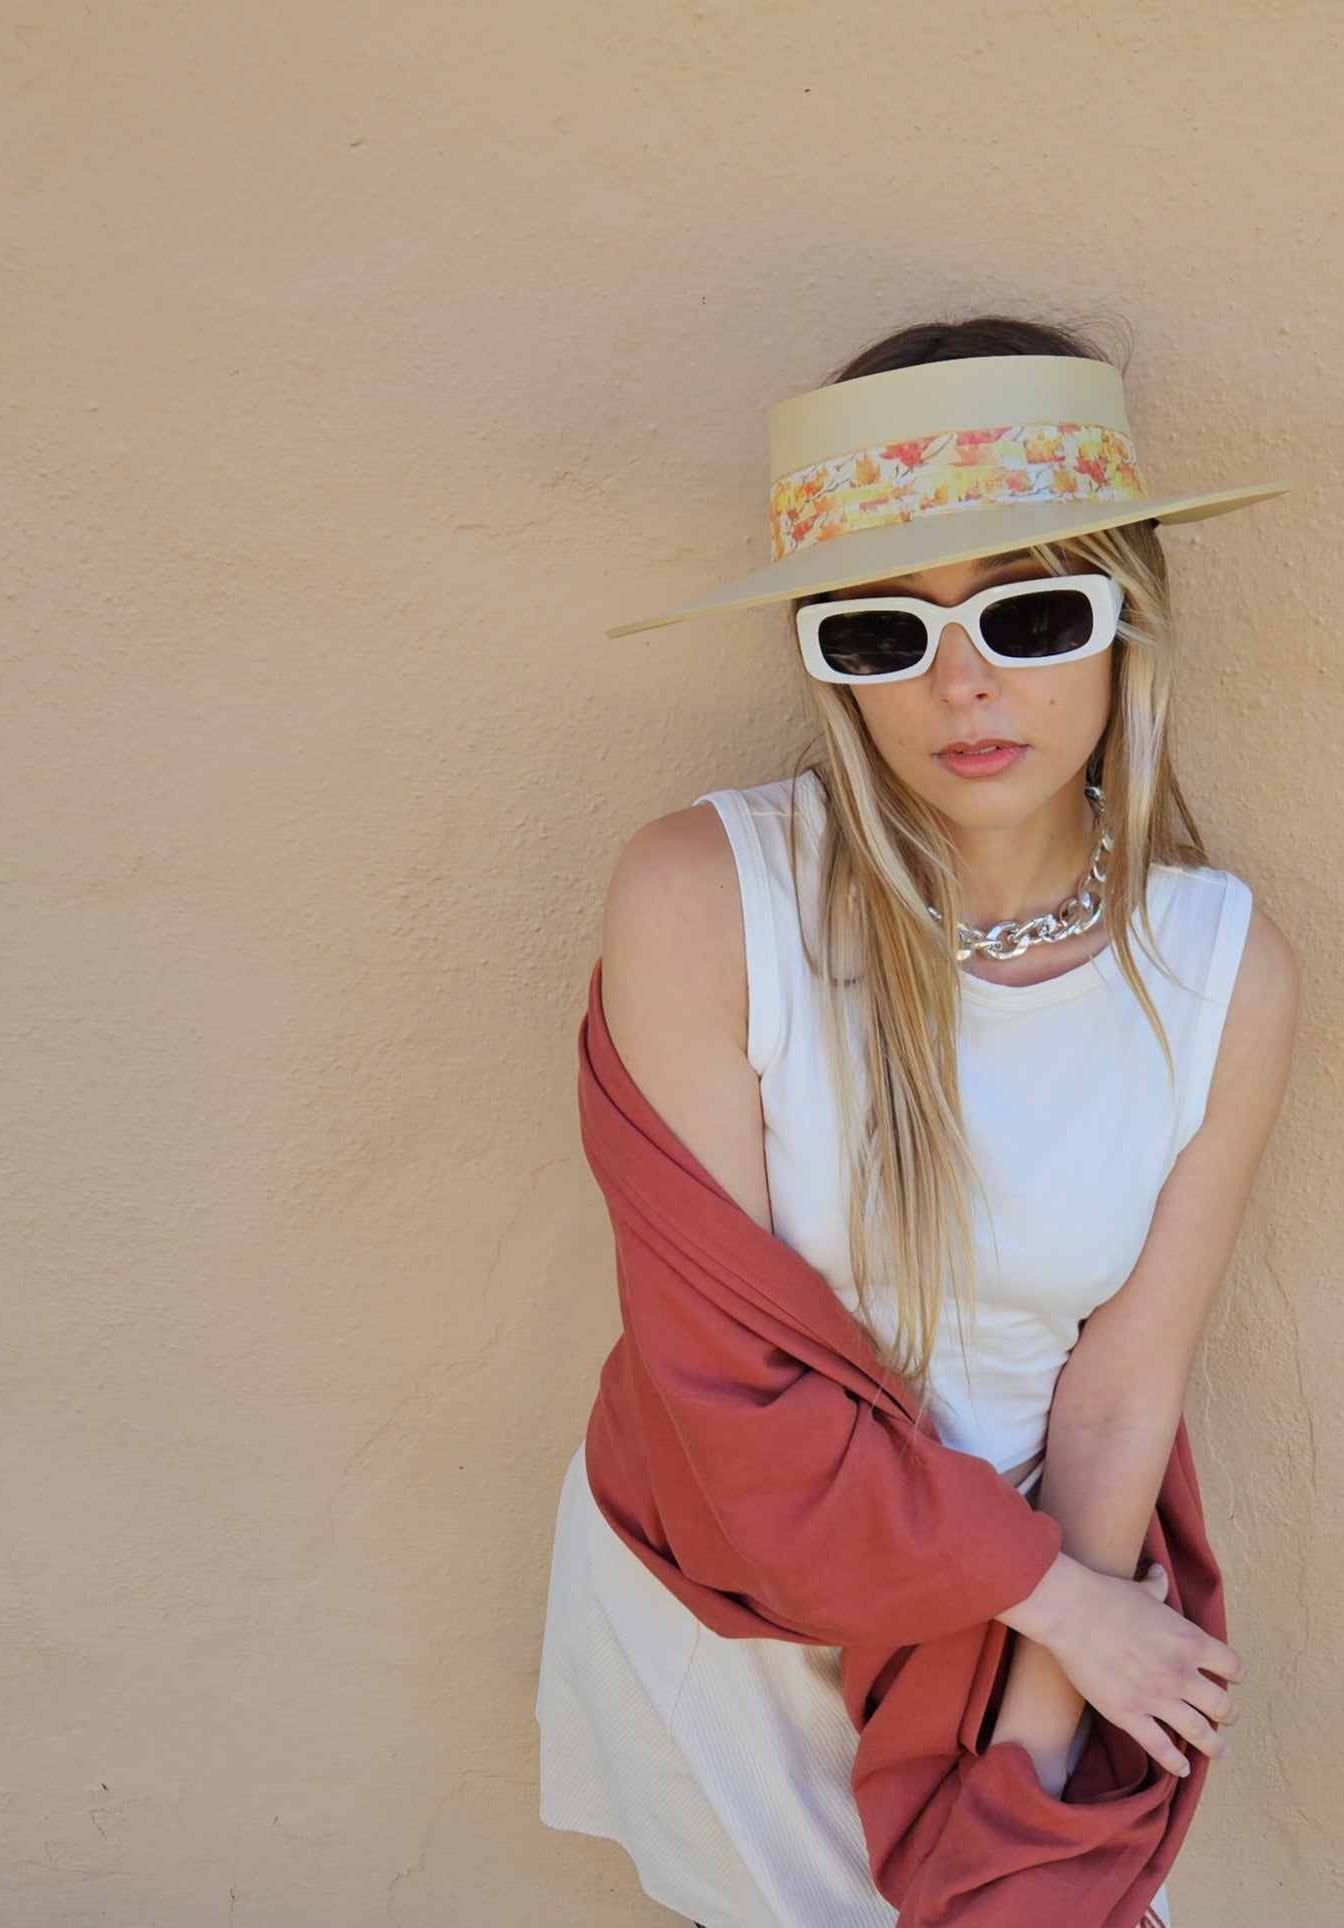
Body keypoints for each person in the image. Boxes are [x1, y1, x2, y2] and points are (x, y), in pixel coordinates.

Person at [534, 314, 1300, 1928]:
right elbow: (717, 1383)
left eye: (1028, 612)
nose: (963, 685)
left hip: (1030, 1626)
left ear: (1124, 625)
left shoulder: (1223, 971)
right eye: (881, 636)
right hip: (732, 1598)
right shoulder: (703, 901)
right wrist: (1067, 1615)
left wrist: (1025, 1763)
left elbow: (1118, 1396)